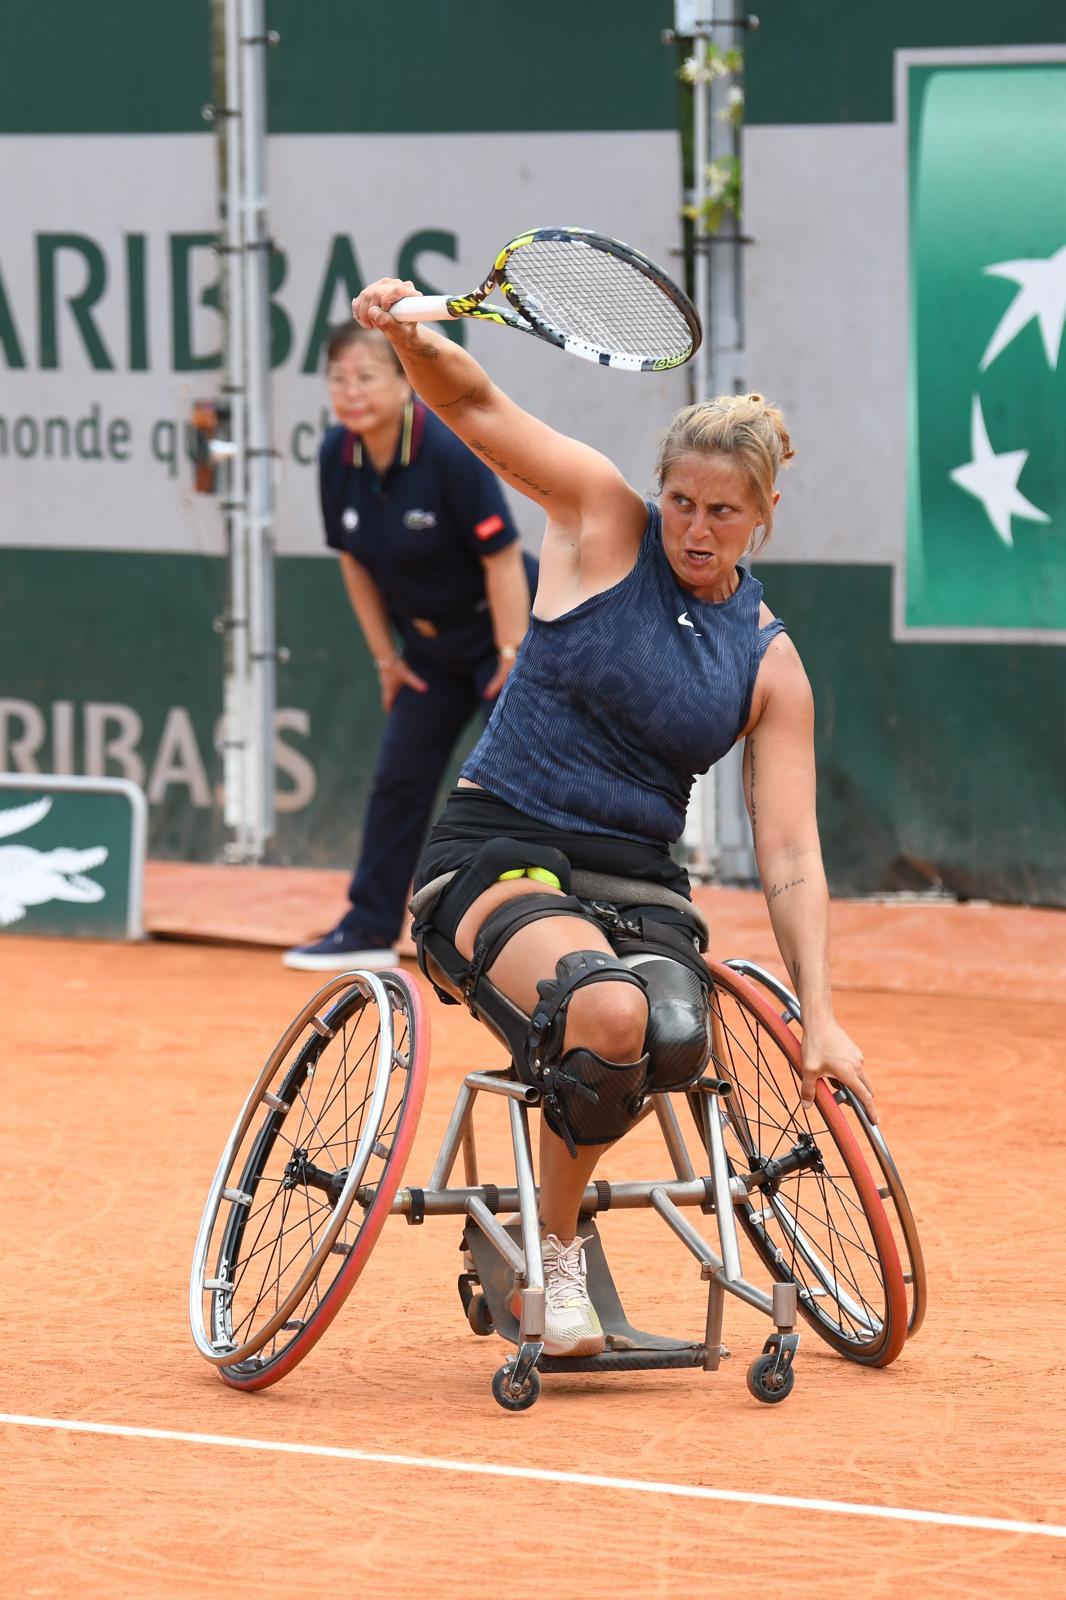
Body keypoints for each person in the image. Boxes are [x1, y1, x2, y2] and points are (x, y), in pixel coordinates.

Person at [352, 276, 879, 1359]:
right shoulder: (600, 518)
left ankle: (557, 1215)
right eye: (680, 500)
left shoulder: (770, 663)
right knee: (608, 1016)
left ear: (764, 513)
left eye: (720, 509)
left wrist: (819, 1012)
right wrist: (410, 335)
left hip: (637, 884)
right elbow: (479, 409)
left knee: (676, 1032)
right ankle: (551, 1255)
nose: (693, 525)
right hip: (500, 848)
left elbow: (787, 854)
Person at [284, 323, 537, 972]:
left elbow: (502, 556)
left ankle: (562, 927)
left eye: (367, 376)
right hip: (427, 652)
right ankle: (368, 926)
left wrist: (511, 658)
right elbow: (355, 565)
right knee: (398, 779)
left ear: (404, 384)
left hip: (501, 636)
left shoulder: (448, 453)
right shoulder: (335, 456)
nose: (351, 391)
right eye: (339, 378)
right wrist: (386, 659)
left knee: (521, 781)